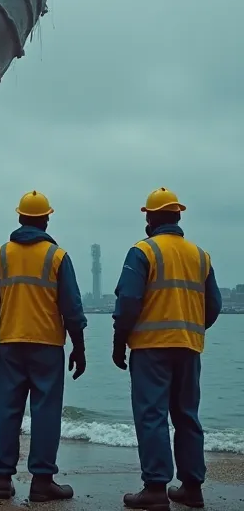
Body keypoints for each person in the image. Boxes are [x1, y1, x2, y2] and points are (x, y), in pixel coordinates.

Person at [0, 190, 87, 503]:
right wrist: (79, 346)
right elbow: (72, 307)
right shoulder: (58, 257)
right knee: (46, 412)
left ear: (20, 218)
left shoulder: (1, 255)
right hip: (47, 346)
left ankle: (2, 481)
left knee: (7, 412)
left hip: (10, 344)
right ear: (46, 219)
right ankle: (42, 482)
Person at [113, 187, 222, 511]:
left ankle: (156, 489)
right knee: (187, 416)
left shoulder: (142, 252)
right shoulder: (200, 255)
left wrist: (120, 342)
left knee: (152, 416)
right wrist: (188, 327)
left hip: (150, 349)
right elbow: (212, 305)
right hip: (188, 347)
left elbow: (129, 301)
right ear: (177, 216)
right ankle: (192, 488)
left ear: (151, 218)